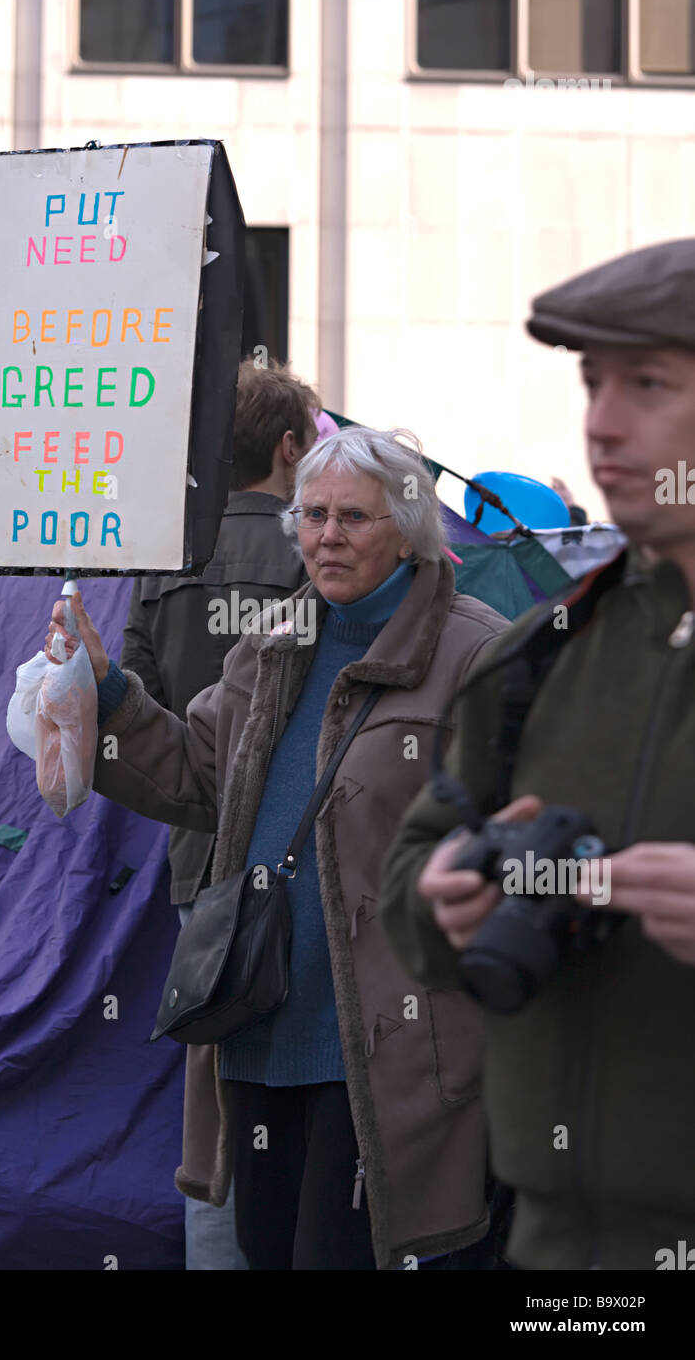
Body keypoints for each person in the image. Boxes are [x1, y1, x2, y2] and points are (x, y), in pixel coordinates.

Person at [44, 426, 510, 1270]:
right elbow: (195, 778)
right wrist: (107, 691)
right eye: (314, 515)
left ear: (408, 530)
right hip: (260, 1032)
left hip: (384, 1051)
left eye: (354, 519)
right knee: (269, 1250)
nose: (326, 536)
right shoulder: (273, 643)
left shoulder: (475, 653)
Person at [380, 235, 695, 1271]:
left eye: (646, 384)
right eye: (592, 382)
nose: (601, 422)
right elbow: (409, 883)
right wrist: (443, 893)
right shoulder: (538, 657)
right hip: (555, 1251)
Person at [119, 356, 318, 1269]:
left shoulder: (165, 555)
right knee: (315, 1089)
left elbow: (134, 712)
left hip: (199, 866)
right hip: (303, 867)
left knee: (215, 1105)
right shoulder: (325, 553)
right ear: (288, 447)